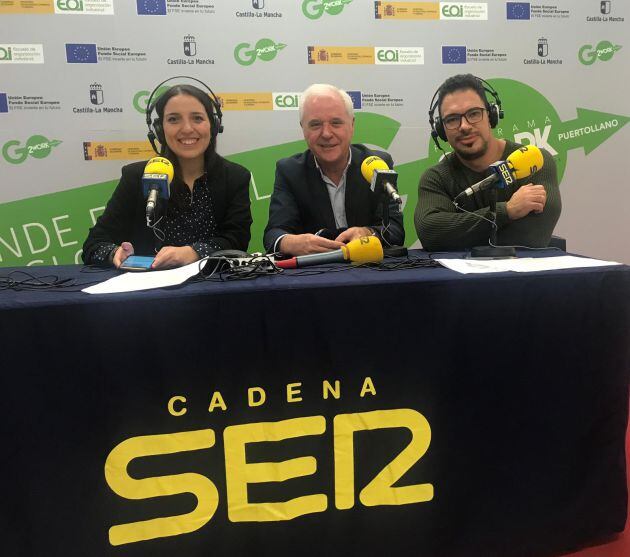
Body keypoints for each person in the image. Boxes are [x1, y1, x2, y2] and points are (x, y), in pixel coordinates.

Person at [82, 82, 252, 269]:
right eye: (173, 119)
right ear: (160, 129)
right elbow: (94, 244)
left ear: (213, 125)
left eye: (197, 118)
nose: (187, 128)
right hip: (151, 292)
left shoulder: (235, 177)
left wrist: (193, 252)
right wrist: (115, 253)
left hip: (213, 286)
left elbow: (237, 241)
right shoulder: (136, 176)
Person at [415, 74, 561, 252]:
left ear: (491, 115)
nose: (464, 126)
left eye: (474, 114)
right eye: (452, 119)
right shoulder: (437, 178)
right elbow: (431, 232)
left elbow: (531, 238)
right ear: (441, 130)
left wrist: (460, 233)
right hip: (460, 279)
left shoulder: (534, 161)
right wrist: (506, 211)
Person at [263, 83, 404, 256]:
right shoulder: (289, 171)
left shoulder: (377, 164)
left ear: (352, 125)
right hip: (313, 276)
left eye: (336, 123)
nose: (327, 133)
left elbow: (395, 230)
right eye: (315, 125)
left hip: (368, 270)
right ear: (303, 129)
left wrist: (367, 233)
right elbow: (273, 234)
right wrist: (289, 242)